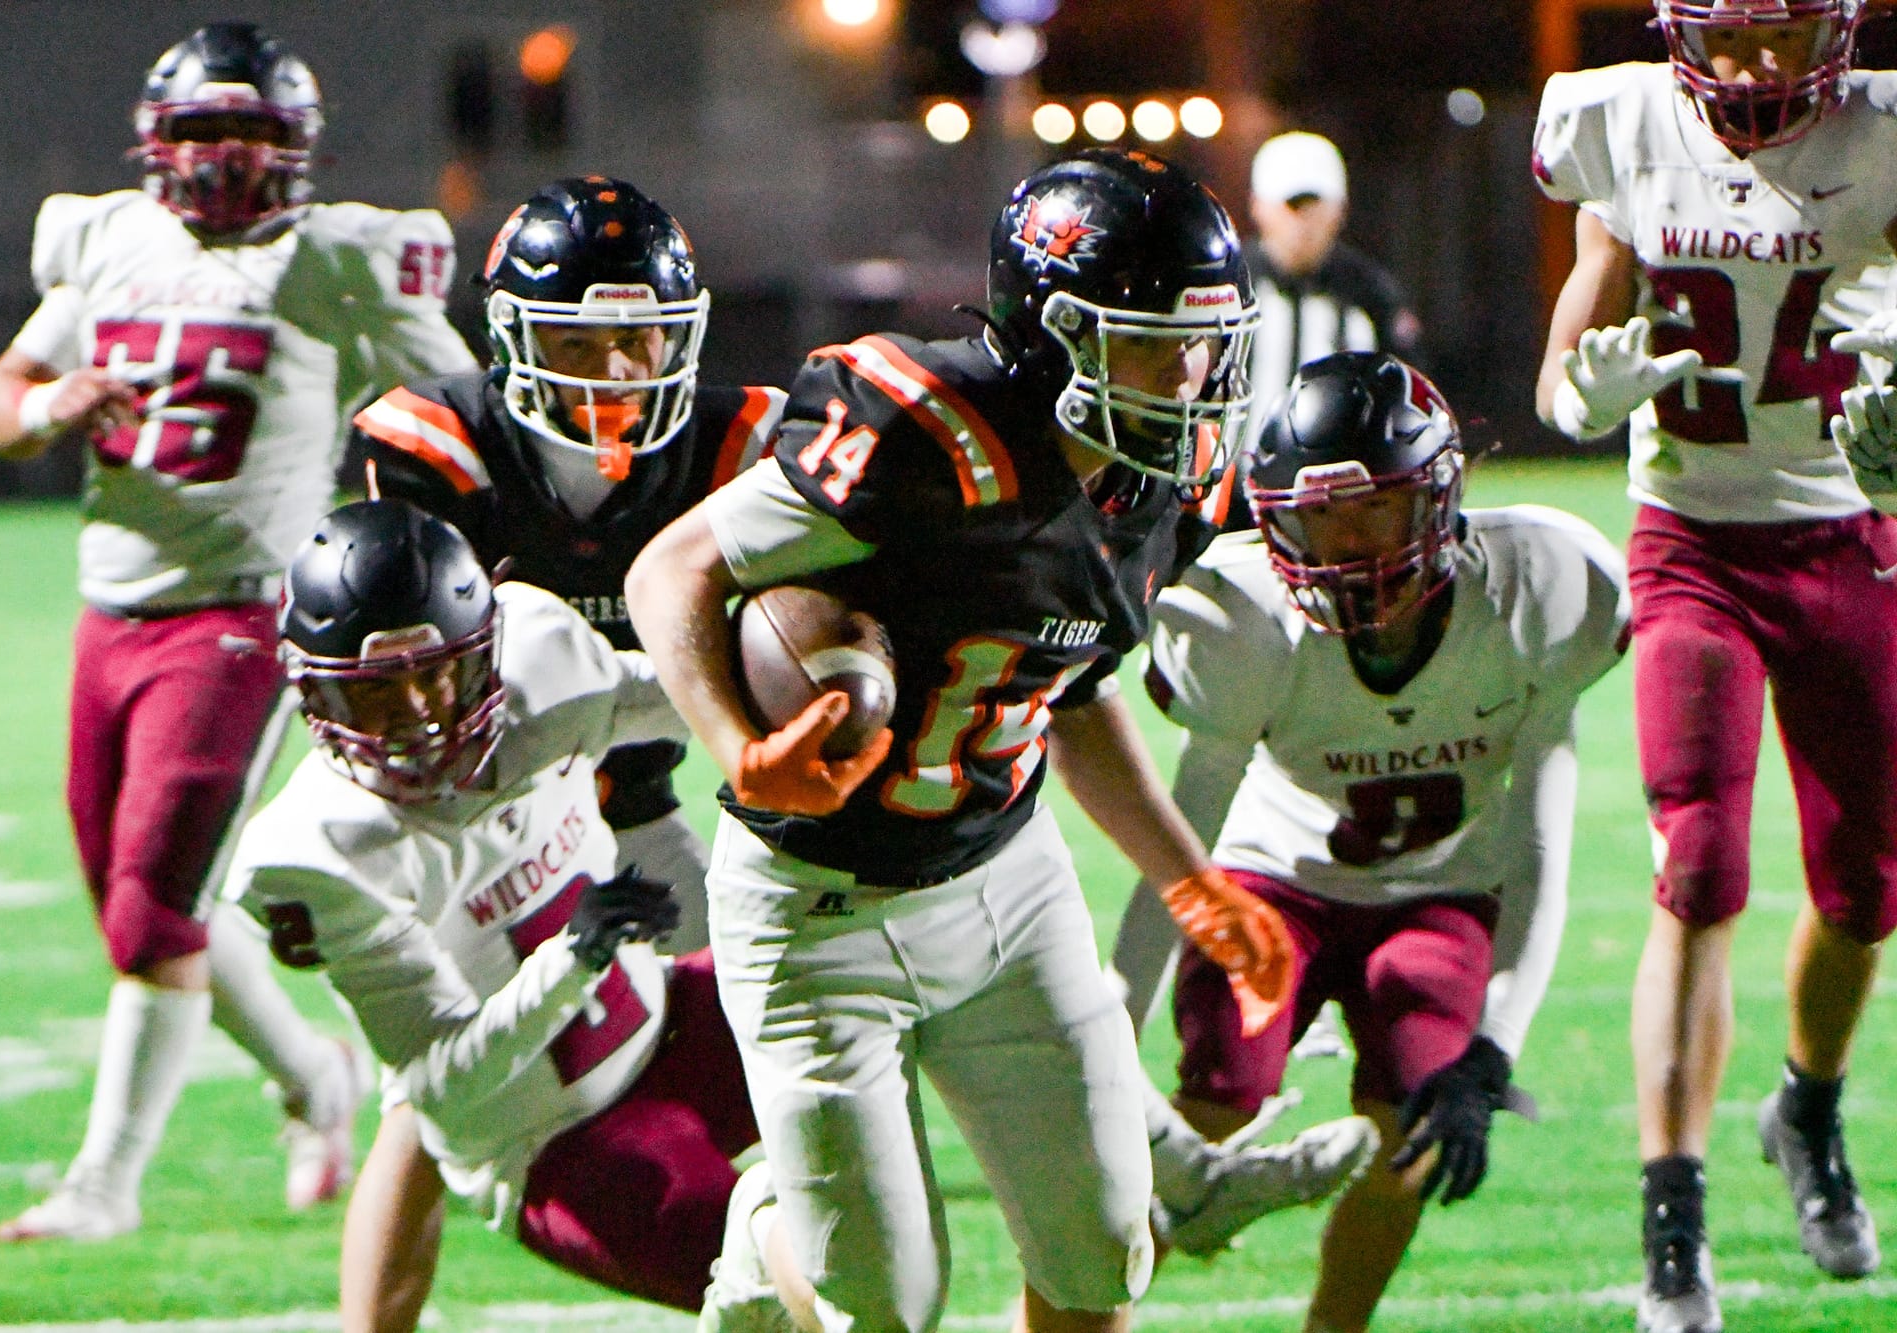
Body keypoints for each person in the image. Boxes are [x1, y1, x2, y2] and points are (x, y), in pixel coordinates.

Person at [626, 147, 1311, 1333]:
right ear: (1055, 336)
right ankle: (762, 1240)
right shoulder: (916, 433)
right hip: (815, 911)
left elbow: (1065, 683)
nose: (1192, 373)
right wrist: (737, 744)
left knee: (1102, 1250)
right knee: (882, 1304)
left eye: (1206, 340)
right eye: (1155, 339)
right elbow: (672, 567)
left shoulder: (1167, 486)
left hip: (1004, 885)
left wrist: (1186, 879)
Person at [0, 22, 478, 1242]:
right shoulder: (108, 240)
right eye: (204, 130)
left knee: (155, 912)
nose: (226, 159)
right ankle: (315, 1075)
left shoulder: (332, 260)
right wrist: (50, 404)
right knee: (140, 906)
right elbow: (0, 407)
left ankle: (105, 1184)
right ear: (158, 140)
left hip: (244, 617)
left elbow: (456, 400)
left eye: (252, 133)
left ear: (296, 148)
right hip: (112, 608)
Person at [1532, 3, 1897, 1327]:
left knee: (1867, 881)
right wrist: (1579, 396)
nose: (1760, 67)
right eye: (1735, 37)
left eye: (1788, 34)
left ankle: (1804, 1104)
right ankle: (1672, 1222)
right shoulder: (1620, 118)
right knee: (1700, 864)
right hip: (1690, 541)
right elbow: (1567, 350)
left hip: (1847, 538)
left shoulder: (1885, 135)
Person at [1141, 352, 1628, 1333]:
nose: (1347, 543)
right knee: (1217, 1097)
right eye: (1320, 516)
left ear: (1438, 499)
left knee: (1412, 1122)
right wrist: (1112, 1016)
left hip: (1444, 886)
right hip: (1273, 878)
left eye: (1371, 509)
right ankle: (1092, 1280)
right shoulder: (1244, 618)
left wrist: (1491, 1048)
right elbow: (1182, 830)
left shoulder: (1535, 588)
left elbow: (1536, 837)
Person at [222, 498, 766, 1330]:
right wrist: (571, 961)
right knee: (790, 1282)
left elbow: (669, 690)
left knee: (894, 978)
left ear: (482, 650)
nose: (416, 711)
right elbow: (442, 1097)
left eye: (434, 669)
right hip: (555, 1140)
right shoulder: (320, 848)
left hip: (668, 1025)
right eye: (376, 691)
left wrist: (802, 669)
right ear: (316, 692)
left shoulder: (539, 659)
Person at [349, 176, 784, 956]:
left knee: (729, 1021)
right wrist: (709, 683)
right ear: (513, 337)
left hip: (636, 813)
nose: (611, 373)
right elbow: (439, 699)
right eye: (576, 343)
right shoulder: (439, 442)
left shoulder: (742, 445)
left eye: (634, 340)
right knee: (494, 1050)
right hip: (477, 830)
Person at [1186, 132, 1423, 540]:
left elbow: (1407, 401)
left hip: (1340, 506)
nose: (1303, 223)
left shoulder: (1370, 294)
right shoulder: (1221, 289)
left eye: (1316, 207)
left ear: (1341, 210)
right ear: (1258, 207)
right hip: (1229, 504)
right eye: (1292, 206)